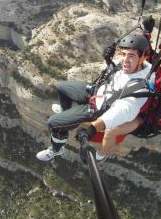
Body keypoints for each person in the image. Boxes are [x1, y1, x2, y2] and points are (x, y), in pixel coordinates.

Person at [36, 33, 154, 162]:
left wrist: (93, 128)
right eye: (123, 54)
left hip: (97, 109)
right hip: (96, 91)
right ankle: (66, 113)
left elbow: (123, 111)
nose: (125, 59)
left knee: (53, 123)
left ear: (142, 57)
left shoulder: (140, 87)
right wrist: (108, 59)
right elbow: (115, 71)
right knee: (61, 87)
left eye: (131, 56)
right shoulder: (135, 65)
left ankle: (56, 148)